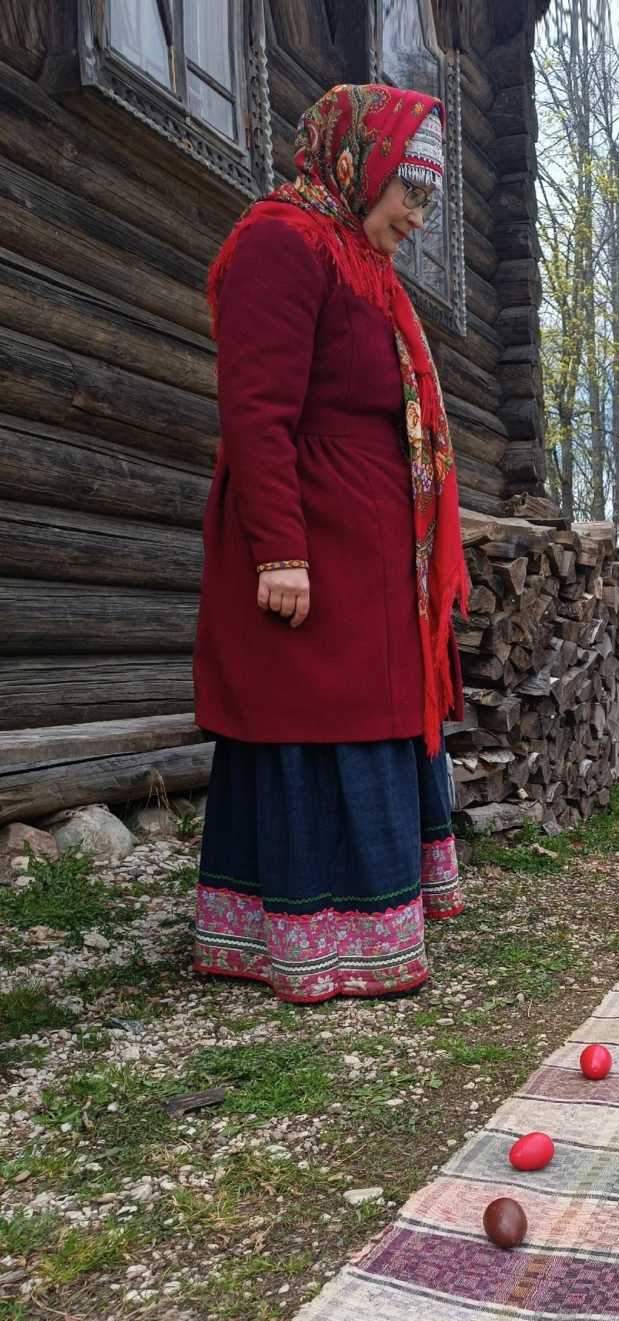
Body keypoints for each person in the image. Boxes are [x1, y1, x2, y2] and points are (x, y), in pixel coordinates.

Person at [191, 84, 468, 1003]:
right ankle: (311, 940)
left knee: (372, 719)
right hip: (310, 542)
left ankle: (376, 928)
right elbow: (257, 415)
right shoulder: (280, 242)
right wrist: (280, 550)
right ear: (362, 165)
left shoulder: (360, 257)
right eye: (408, 192)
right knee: (318, 723)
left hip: (373, 551)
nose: (416, 217)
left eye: (427, 199)